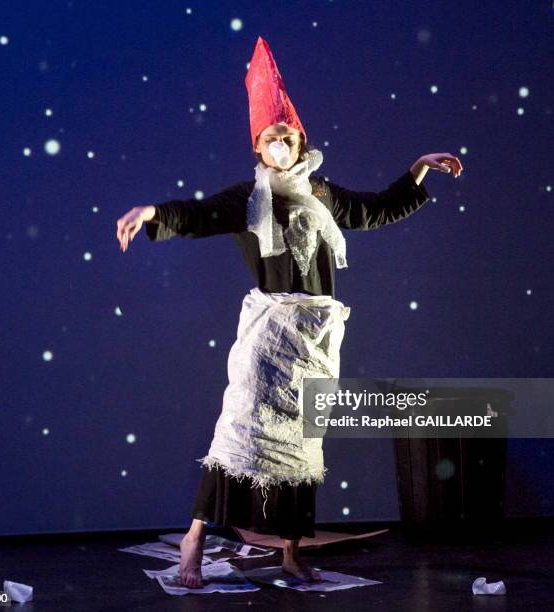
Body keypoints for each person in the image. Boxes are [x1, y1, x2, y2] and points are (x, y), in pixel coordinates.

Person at [116, 36, 463, 589]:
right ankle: (196, 538)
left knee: (302, 444)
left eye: (288, 136)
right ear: (259, 147)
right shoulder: (249, 198)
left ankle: (289, 552)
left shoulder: (322, 195)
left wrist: (418, 169)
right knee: (240, 436)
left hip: (317, 336)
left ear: (302, 139)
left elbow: (375, 209)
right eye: (271, 138)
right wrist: (154, 212)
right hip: (268, 332)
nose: (281, 144)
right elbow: (198, 214)